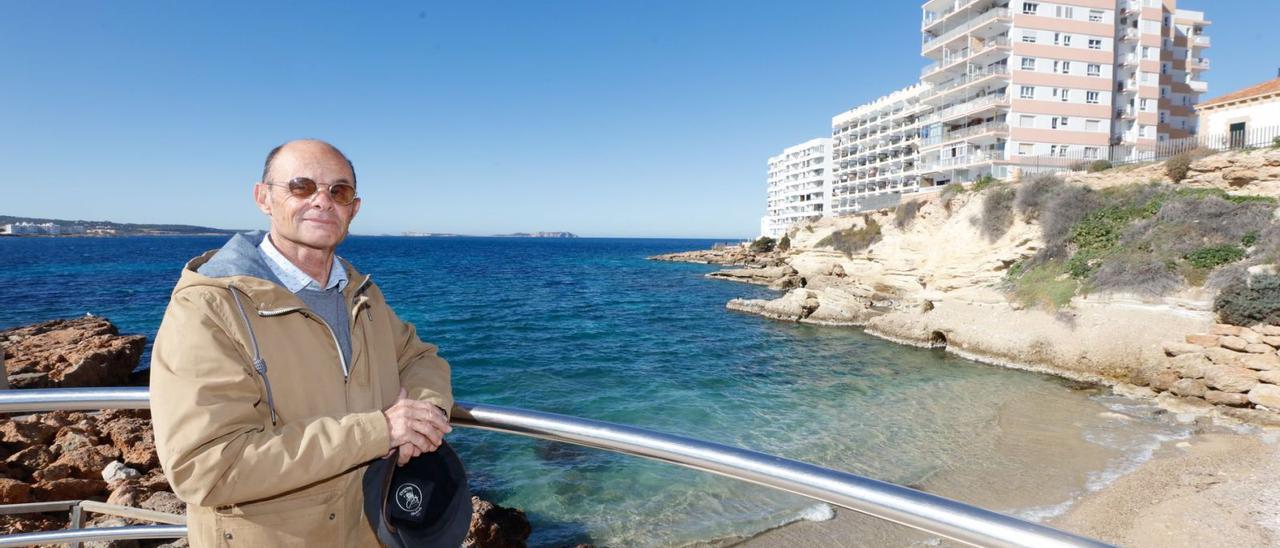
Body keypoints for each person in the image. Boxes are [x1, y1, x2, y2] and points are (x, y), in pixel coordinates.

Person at [150, 139, 455, 547]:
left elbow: (420, 356)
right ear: (264, 198)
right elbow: (206, 467)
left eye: (339, 191)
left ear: (354, 208)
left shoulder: (358, 294)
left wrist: (424, 416)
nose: (322, 201)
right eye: (301, 186)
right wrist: (380, 431)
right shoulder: (210, 308)